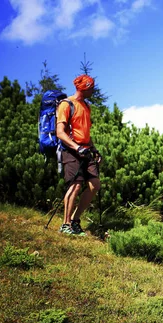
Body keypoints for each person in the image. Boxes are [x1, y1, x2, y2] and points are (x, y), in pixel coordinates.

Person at [55, 74, 102, 236]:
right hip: (70, 150)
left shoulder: (86, 107)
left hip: (86, 150)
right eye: (90, 88)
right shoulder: (66, 104)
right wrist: (76, 147)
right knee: (74, 185)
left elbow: (85, 133)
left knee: (94, 185)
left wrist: (94, 149)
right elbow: (60, 133)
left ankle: (75, 220)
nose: (93, 90)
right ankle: (65, 224)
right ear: (83, 88)